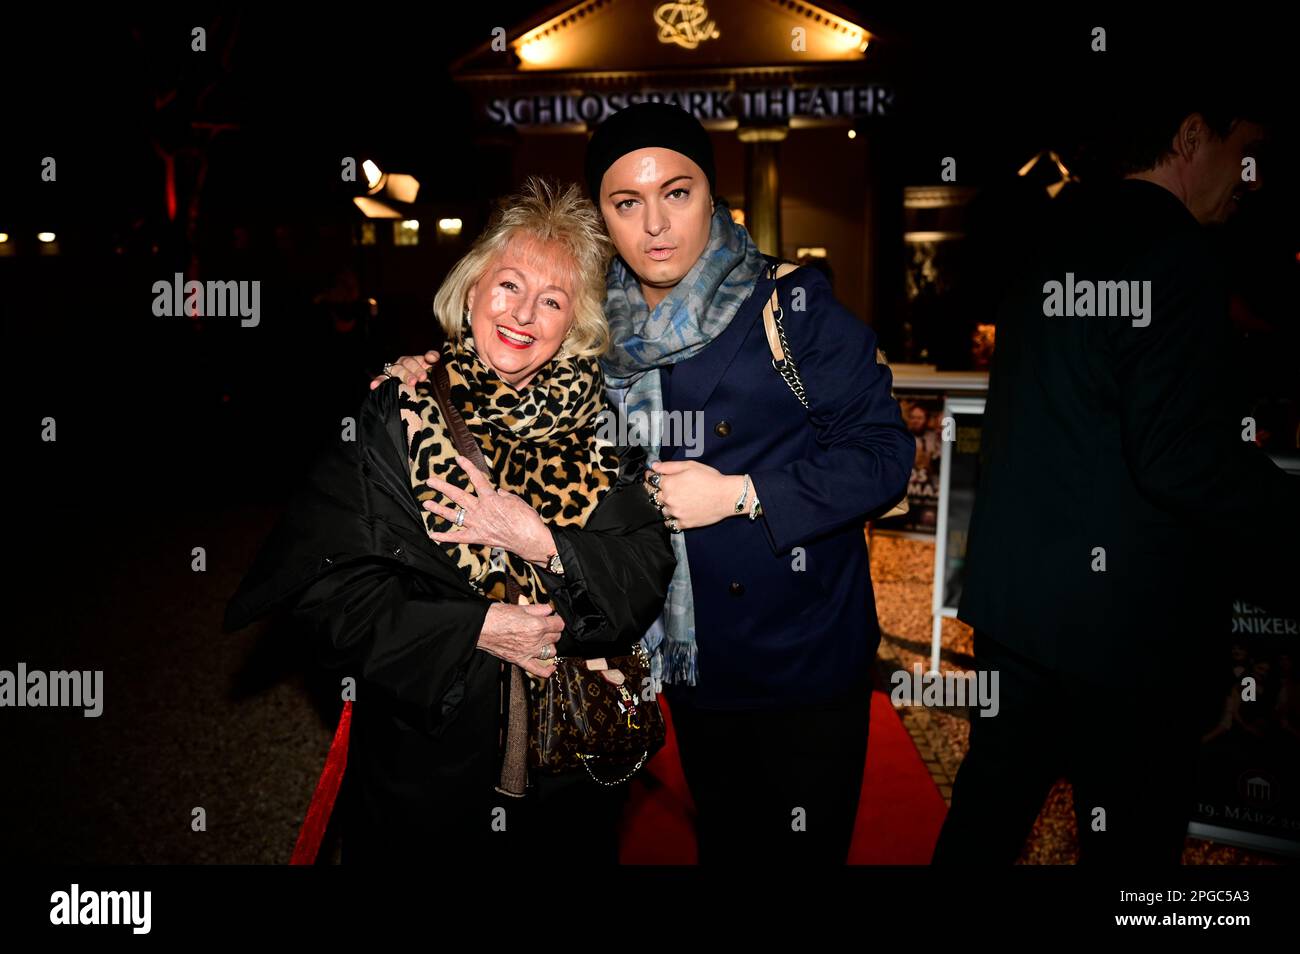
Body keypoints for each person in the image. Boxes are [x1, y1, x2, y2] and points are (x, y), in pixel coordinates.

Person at [383, 103, 914, 863]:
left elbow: (886, 456)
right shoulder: (594, 329)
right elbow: (513, 376)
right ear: (603, 217)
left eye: (678, 192)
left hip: (800, 658)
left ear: (712, 196)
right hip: (680, 663)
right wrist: (429, 376)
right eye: (627, 203)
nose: (656, 224)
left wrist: (739, 494)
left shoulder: (788, 304)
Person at [225, 176, 675, 864]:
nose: (524, 312)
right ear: (471, 291)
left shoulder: (603, 430)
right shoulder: (396, 412)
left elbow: (645, 568)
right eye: (510, 285)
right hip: (426, 774)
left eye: (552, 300)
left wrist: (547, 543)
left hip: (568, 777)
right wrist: (476, 629)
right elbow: (327, 593)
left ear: (574, 324)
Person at [932, 72, 1300, 863]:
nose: (1254, 179)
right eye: (1249, 154)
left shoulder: (1050, 230)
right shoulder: (1177, 252)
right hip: (1126, 637)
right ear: (1193, 137)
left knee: (985, 823)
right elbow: (1180, 457)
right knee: (1132, 859)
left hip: (1020, 613)